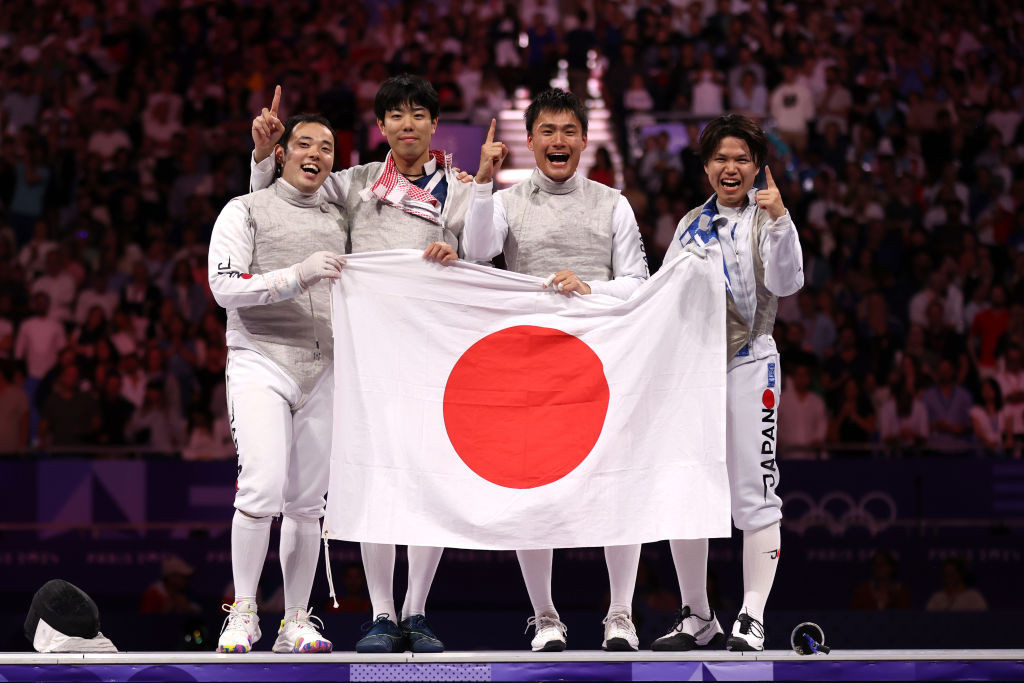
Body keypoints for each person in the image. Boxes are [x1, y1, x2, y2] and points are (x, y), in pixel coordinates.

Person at [249, 75, 467, 654]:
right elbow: (291, 189)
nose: (407, 124)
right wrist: (262, 154)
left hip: (433, 350)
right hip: (367, 355)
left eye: (418, 114)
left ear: (434, 124)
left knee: (426, 482)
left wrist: (456, 250)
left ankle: (417, 613)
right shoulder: (357, 183)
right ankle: (381, 613)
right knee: (378, 482)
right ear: (381, 128)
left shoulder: (460, 189)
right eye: (395, 115)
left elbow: (488, 249)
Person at [462, 88, 648, 652]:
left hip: (601, 364)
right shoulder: (506, 201)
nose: (559, 141)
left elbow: (638, 282)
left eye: (569, 131)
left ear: (584, 141)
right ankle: (545, 617)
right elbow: (475, 254)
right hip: (531, 365)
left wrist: (591, 289)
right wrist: (482, 184)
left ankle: (620, 614)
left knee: (618, 490)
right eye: (547, 131)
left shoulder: (613, 203)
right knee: (531, 490)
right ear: (532, 139)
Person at [654, 114, 804, 652]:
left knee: (755, 494)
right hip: (694, 373)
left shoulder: (768, 218)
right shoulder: (690, 224)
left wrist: (782, 219)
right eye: (720, 158)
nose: (731, 168)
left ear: (757, 167)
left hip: (750, 362)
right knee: (686, 491)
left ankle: (752, 615)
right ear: (706, 167)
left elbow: (787, 282)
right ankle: (697, 616)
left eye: (741, 159)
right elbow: (662, 298)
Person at [209, 112, 347, 654]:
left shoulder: (341, 218)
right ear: (283, 153)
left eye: (327, 147)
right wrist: (297, 274)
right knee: (263, 487)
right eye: (305, 144)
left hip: (325, 367)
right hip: (261, 360)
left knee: (308, 503)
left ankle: (295, 619)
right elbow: (225, 287)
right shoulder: (243, 209)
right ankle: (242, 611)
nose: (316, 153)